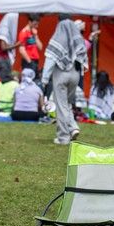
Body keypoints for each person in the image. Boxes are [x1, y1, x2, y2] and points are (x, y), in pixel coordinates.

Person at [42, 15, 86, 145]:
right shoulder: (78, 39)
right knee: (66, 104)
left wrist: (44, 80)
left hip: (61, 75)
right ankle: (72, 128)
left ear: (58, 22)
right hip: (76, 75)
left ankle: (63, 137)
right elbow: (83, 56)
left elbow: (49, 60)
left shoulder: (57, 39)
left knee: (60, 106)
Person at [0, 13, 20, 82]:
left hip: (3, 58)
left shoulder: (3, 30)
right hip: (2, 59)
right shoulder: (4, 31)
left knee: (7, 78)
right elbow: (3, 47)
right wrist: (17, 45)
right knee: (6, 80)